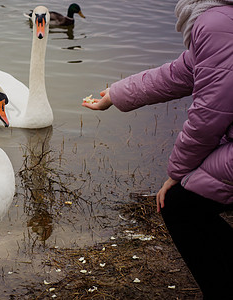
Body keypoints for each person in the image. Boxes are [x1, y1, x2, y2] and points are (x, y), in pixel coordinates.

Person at [82, 1, 233, 298]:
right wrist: (116, 93)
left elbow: (208, 115)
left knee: (179, 203)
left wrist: (177, 172)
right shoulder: (222, 18)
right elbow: (182, 72)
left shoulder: (217, 23)